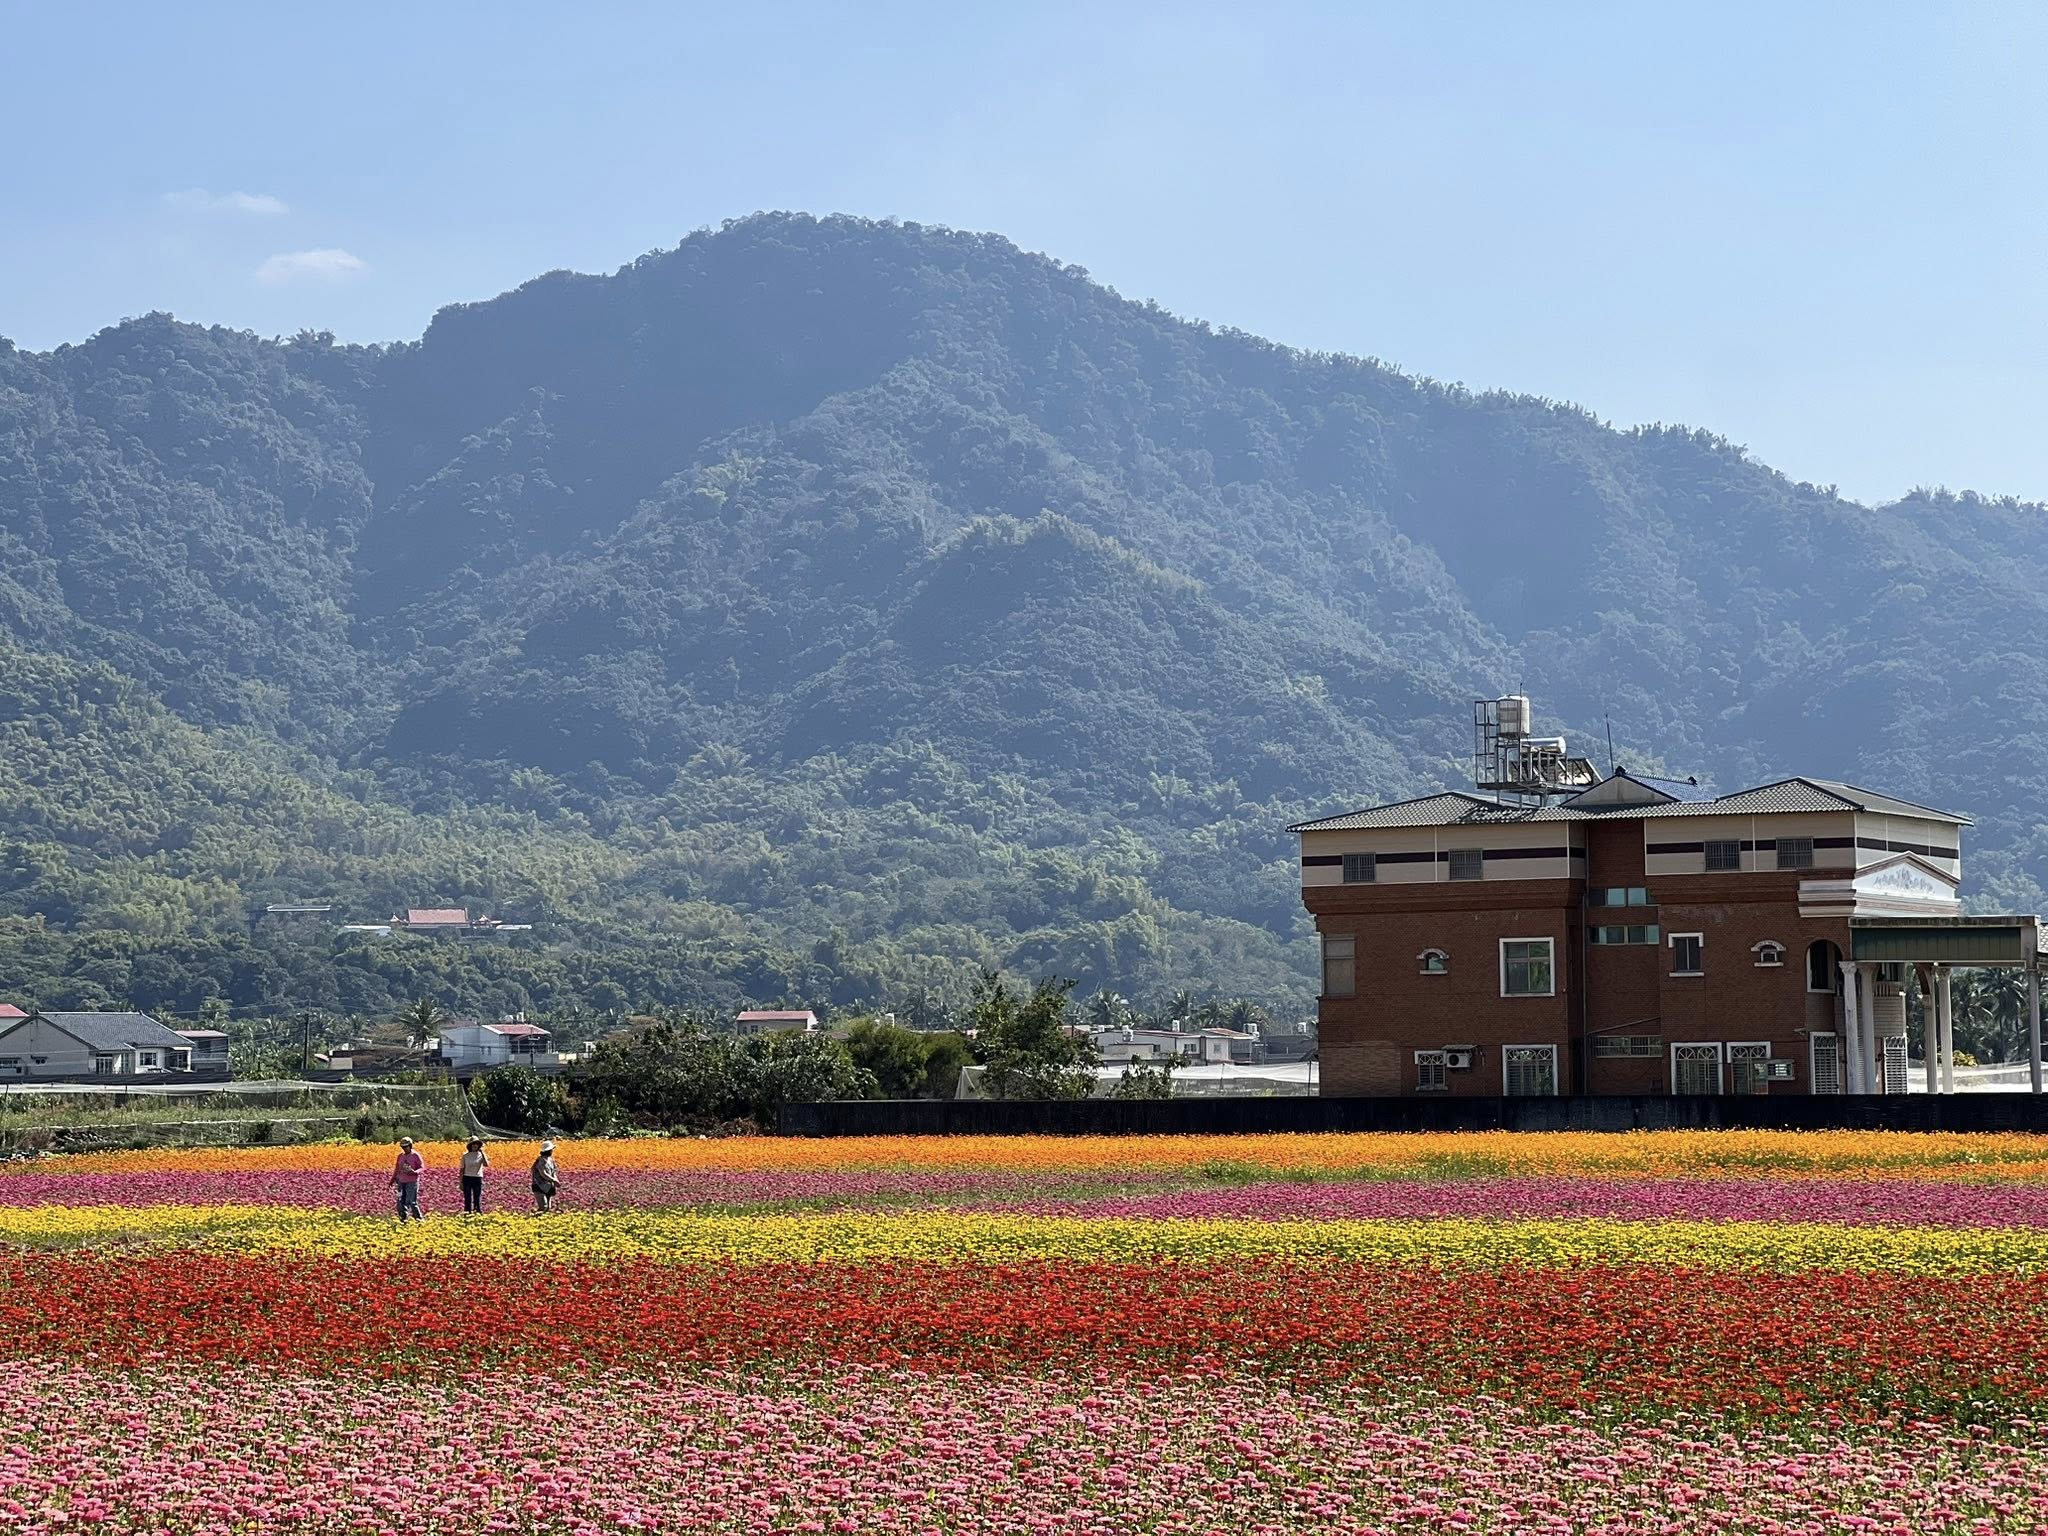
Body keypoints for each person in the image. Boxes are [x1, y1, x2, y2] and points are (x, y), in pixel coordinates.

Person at [390, 1136, 425, 1222]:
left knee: (411, 1202)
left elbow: (421, 1167)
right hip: (401, 1182)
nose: (404, 1149)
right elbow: (397, 1168)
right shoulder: (400, 1156)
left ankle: (419, 1220)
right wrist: (392, 1179)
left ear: (410, 1145)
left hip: (412, 1182)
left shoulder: (415, 1155)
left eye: (406, 1146)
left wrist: (414, 1172)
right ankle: (403, 1220)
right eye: (403, 1147)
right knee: (400, 1202)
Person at [459, 1138, 490, 1215]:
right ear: (470, 1145)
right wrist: (461, 1182)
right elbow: (462, 1169)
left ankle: (477, 1213)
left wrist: (483, 1152)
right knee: (467, 1198)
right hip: (467, 1178)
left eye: (476, 1144)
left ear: (479, 1145)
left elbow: (486, 1164)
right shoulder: (465, 1155)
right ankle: (467, 1213)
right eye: (473, 1144)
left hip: (477, 1178)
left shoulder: (481, 1155)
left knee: (477, 1197)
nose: (474, 1145)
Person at [530, 1140, 560, 1214]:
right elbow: (543, 1173)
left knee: (548, 1208)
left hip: (549, 1186)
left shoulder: (551, 1160)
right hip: (539, 1185)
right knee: (543, 1206)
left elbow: (554, 1171)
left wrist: (555, 1179)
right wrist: (553, 1180)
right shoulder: (541, 1160)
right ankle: (534, 1220)